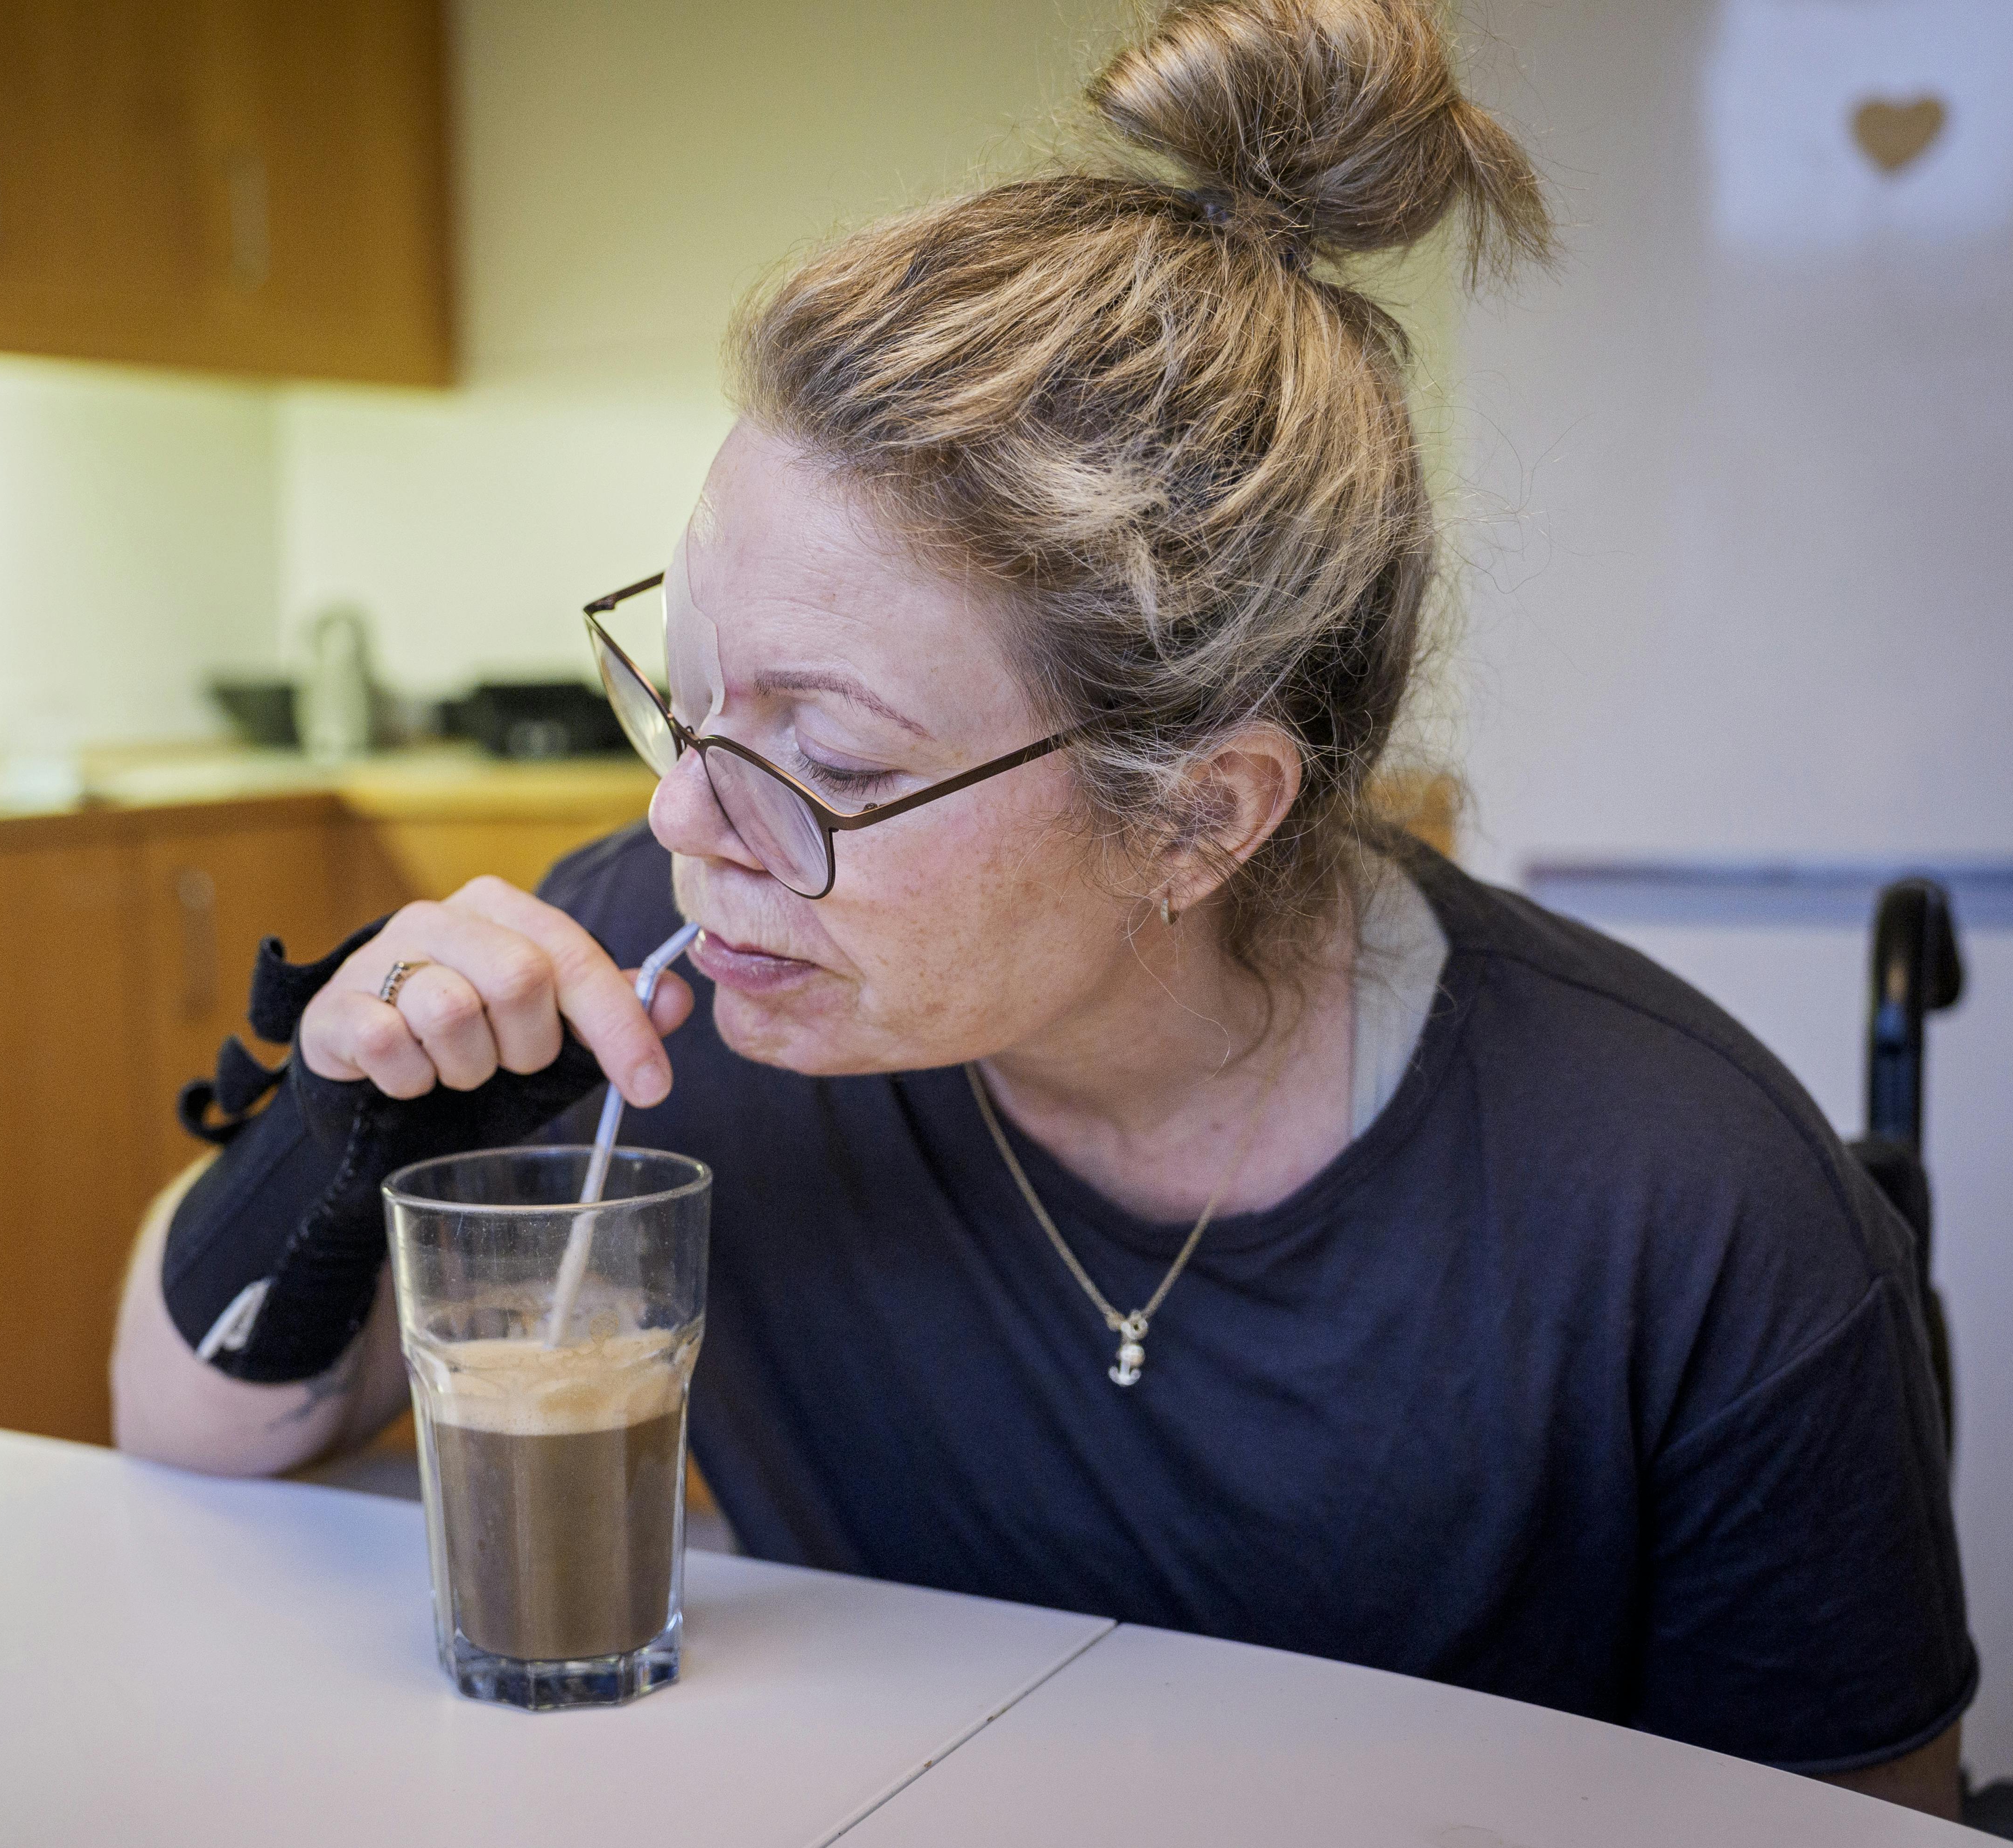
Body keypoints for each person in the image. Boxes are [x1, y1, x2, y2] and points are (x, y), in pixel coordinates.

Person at [109, 0, 1973, 1816]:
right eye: (682, 689)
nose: (683, 814)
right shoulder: (669, 986)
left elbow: (1871, 1809)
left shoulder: (1686, 1211)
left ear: (1199, 816)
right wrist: (346, 1127)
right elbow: (188, 1428)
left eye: (826, 754)